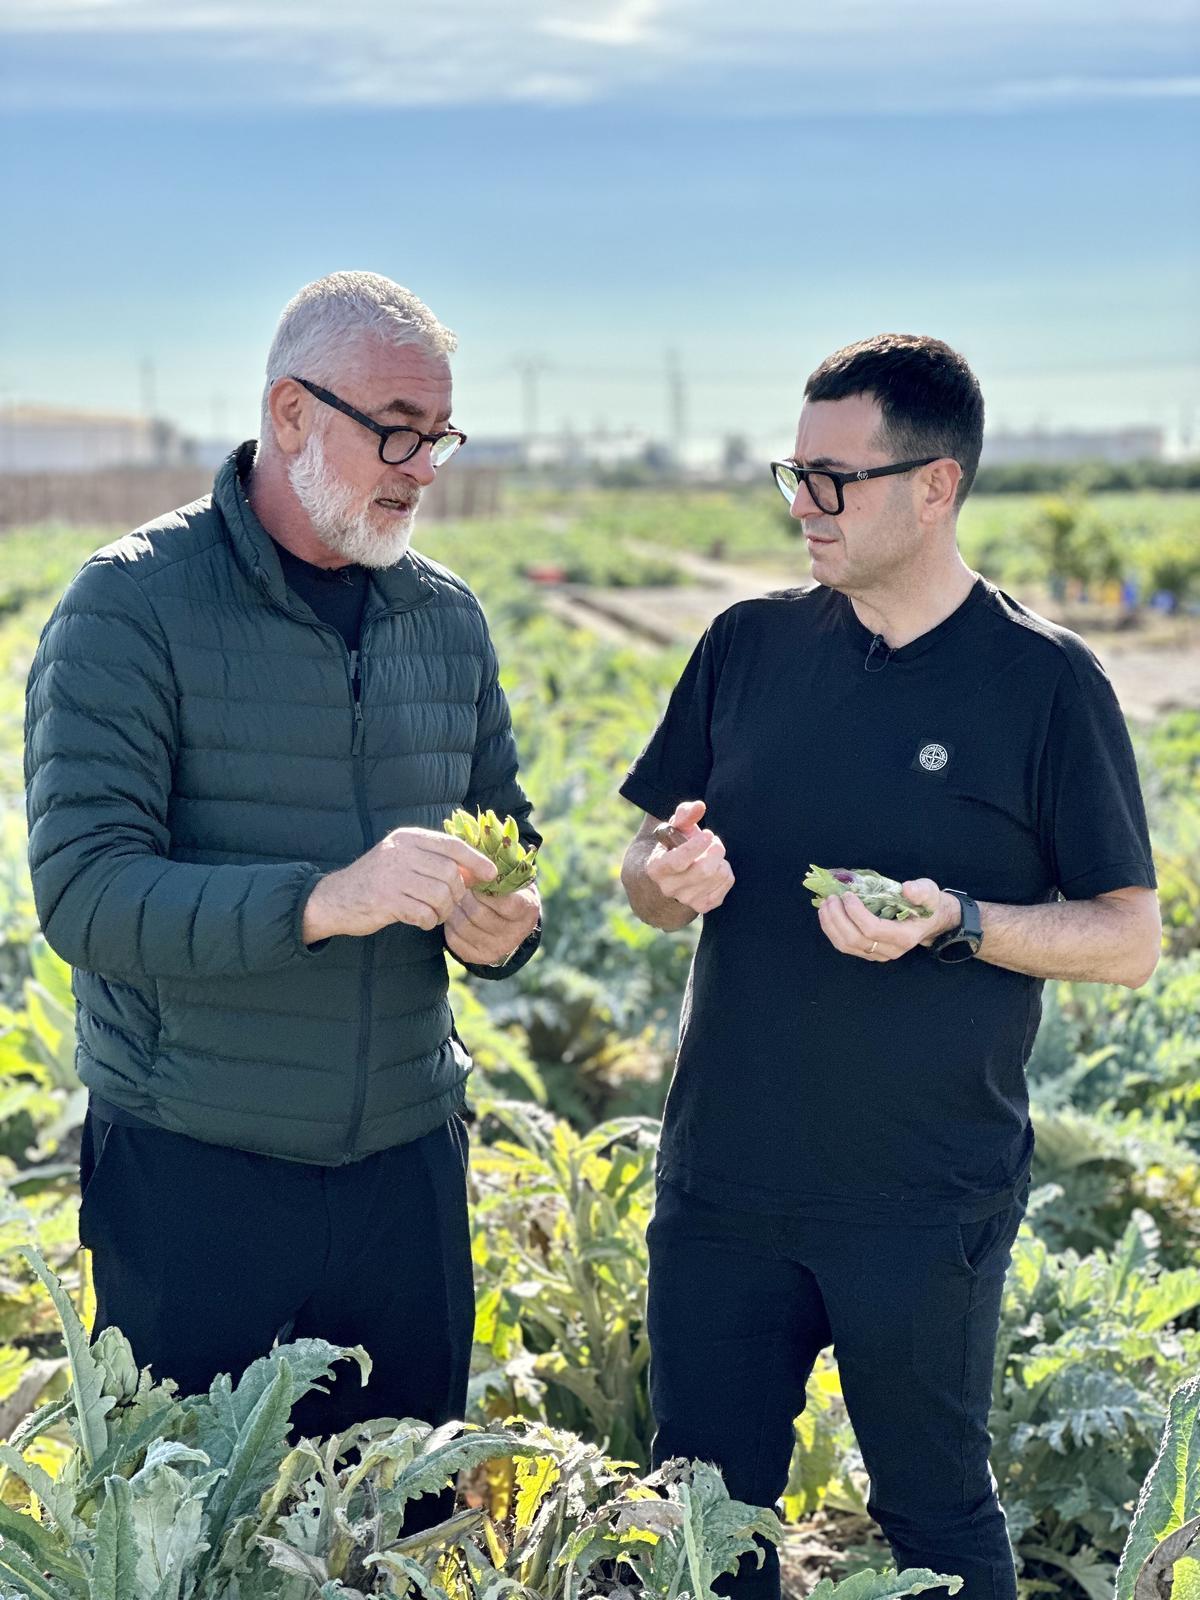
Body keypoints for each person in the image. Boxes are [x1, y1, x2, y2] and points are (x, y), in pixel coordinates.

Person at [618, 333, 1161, 1600]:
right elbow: (648, 859)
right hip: (723, 1188)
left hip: (922, 1201)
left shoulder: (1045, 686)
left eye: (834, 479)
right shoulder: (745, 646)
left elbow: (1128, 937)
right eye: (793, 473)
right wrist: (662, 878)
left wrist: (961, 918)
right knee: (702, 1523)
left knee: (936, 1519)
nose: (803, 505)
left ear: (937, 486)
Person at [24, 272, 541, 1485]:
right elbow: (85, 896)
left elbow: (506, 827)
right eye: (398, 432)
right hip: (200, 1170)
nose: (422, 469)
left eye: (441, 438)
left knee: (400, 1520)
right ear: (291, 414)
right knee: (205, 1529)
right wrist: (322, 900)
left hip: (407, 1167)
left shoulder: (445, 622)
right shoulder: (130, 606)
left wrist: (501, 925)